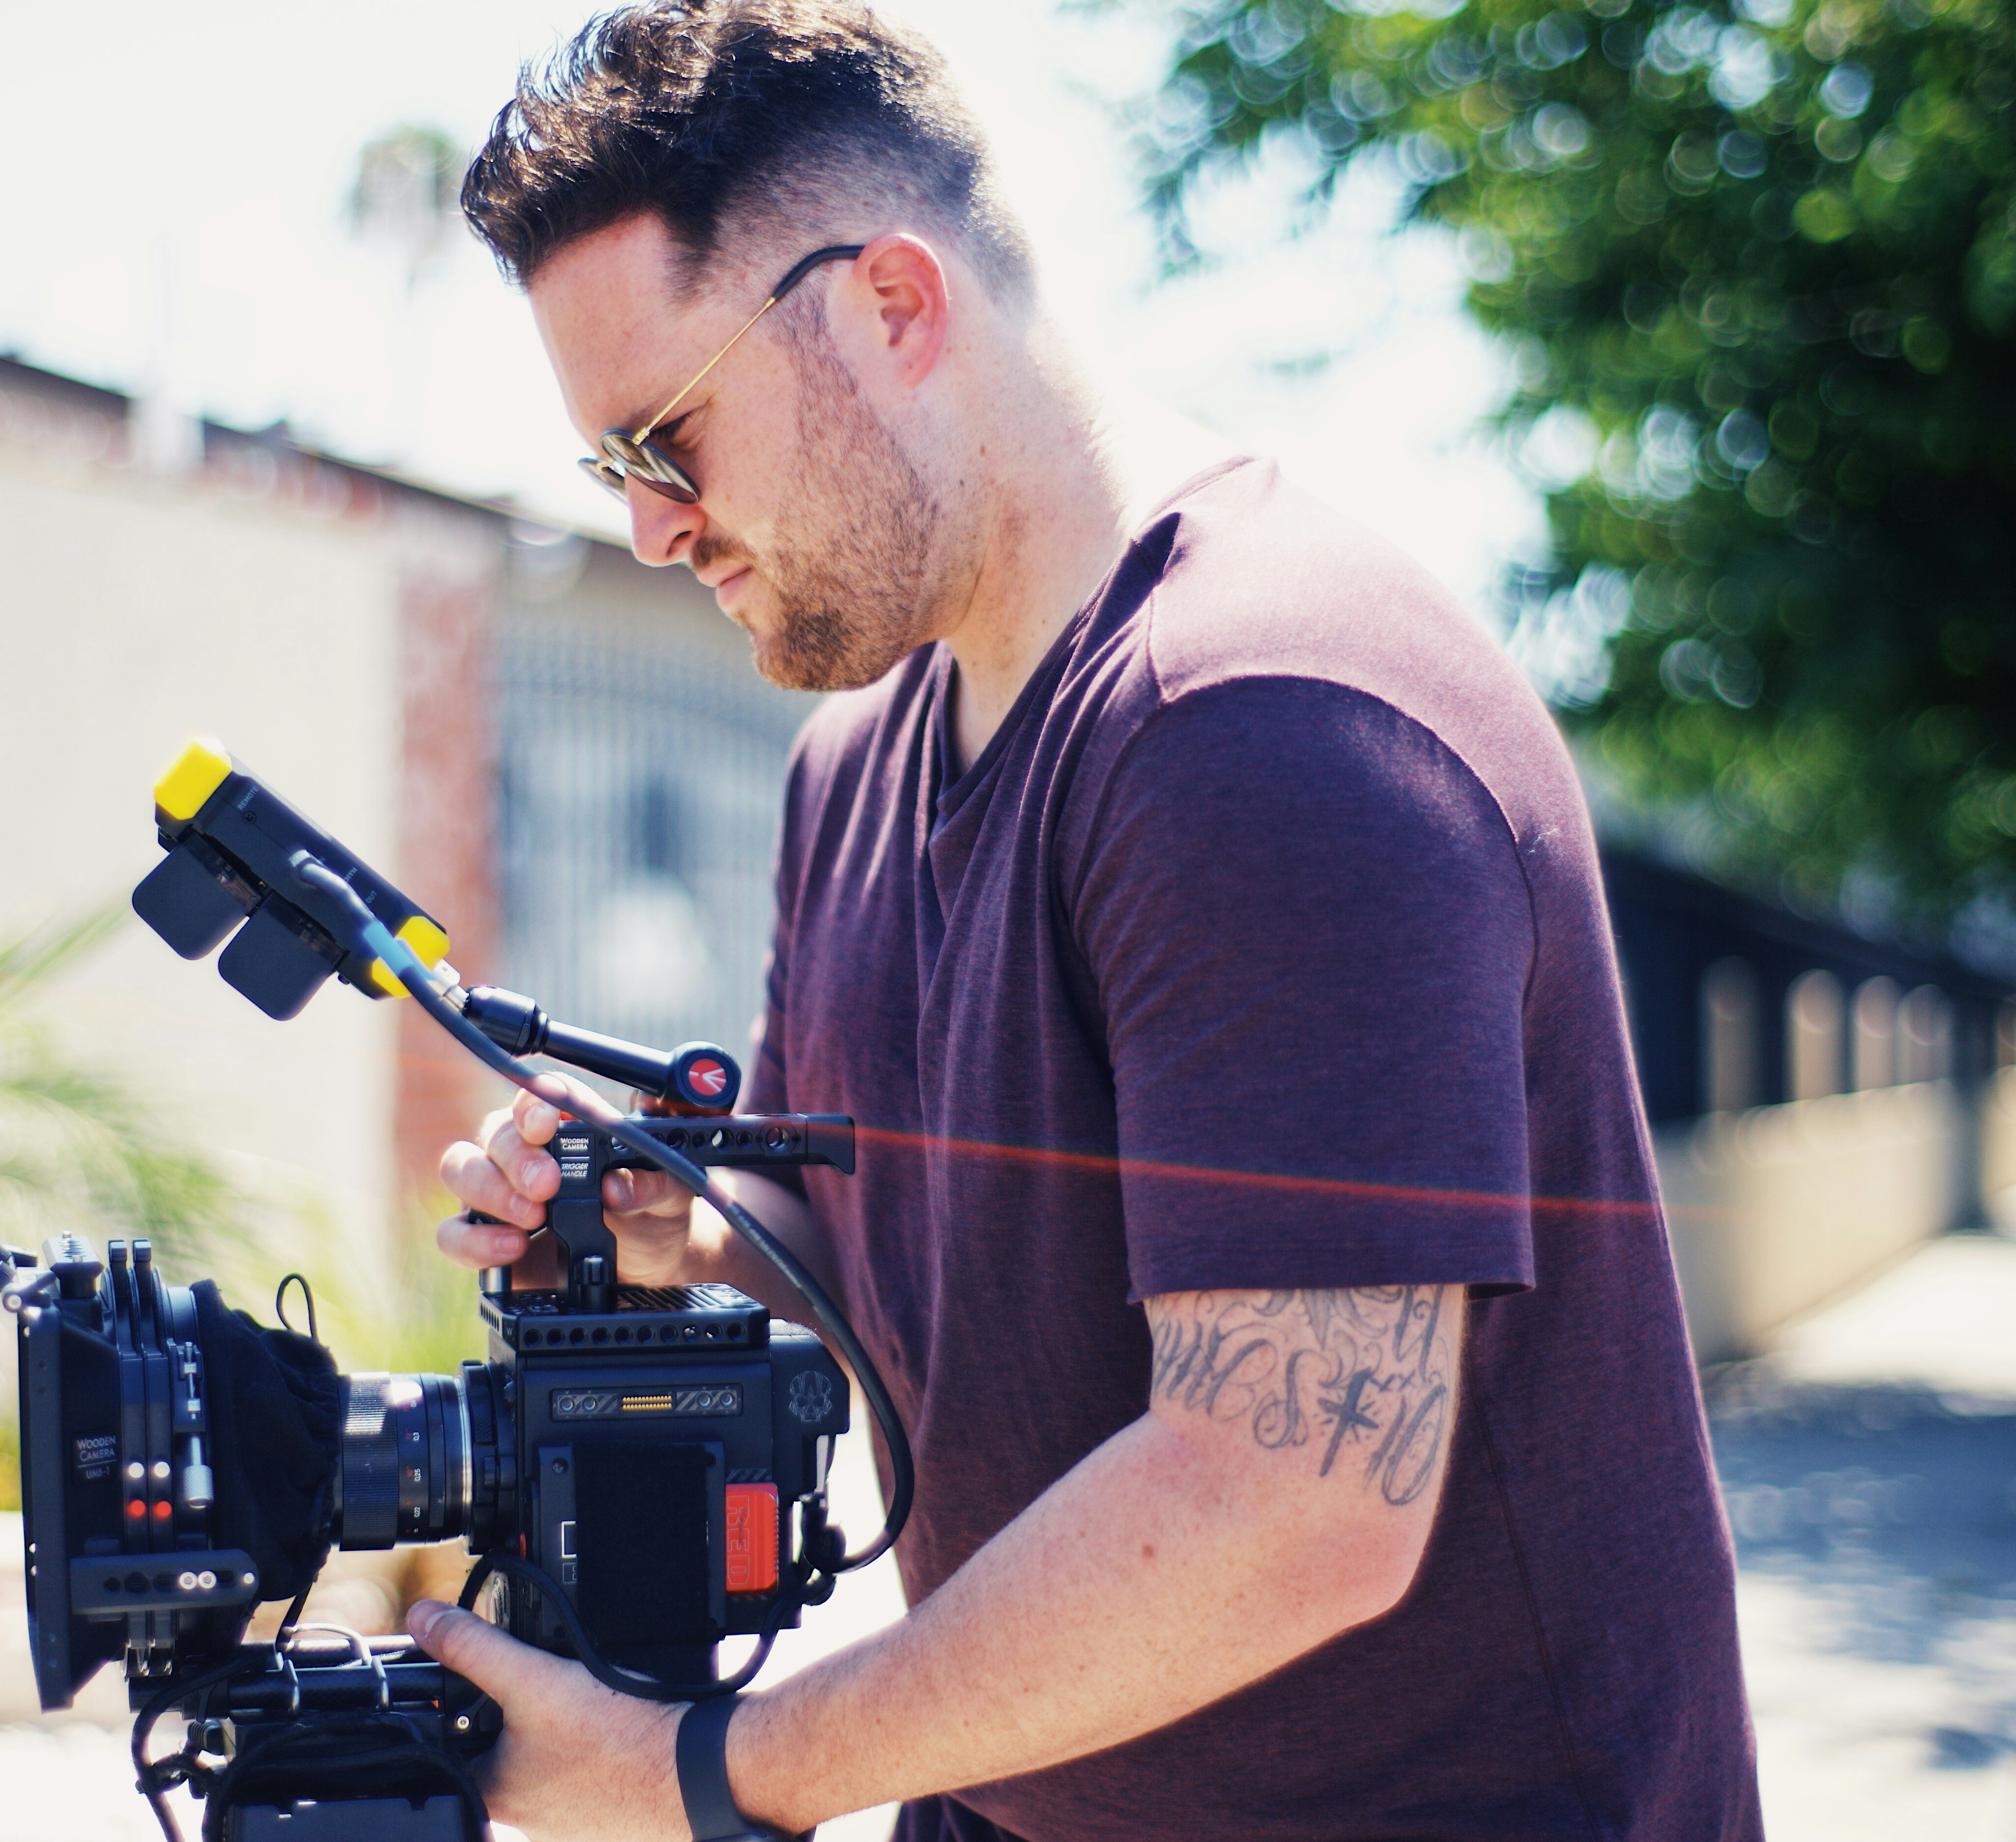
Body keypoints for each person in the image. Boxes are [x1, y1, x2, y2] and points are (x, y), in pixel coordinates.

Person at [415, 3, 1763, 1838]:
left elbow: (1286, 1505)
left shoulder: (1264, 720)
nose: (656, 530)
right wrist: (679, 1217)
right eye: (613, 472)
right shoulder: (853, 766)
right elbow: (875, 1206)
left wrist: (705, 1780)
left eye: (670, 438)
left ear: (893, 305)